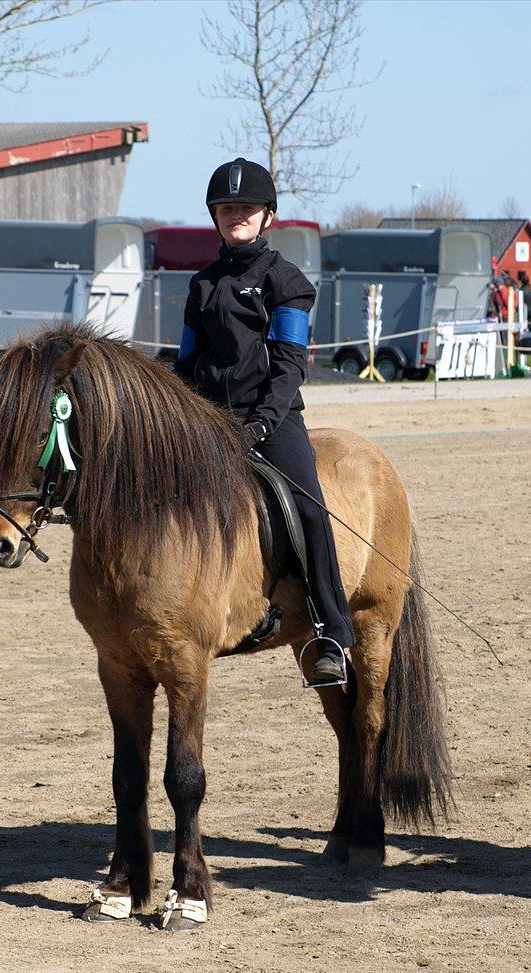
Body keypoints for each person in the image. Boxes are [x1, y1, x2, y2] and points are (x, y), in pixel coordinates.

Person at [174, 158, 355, 684]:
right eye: (227, 208)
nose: (236, 216)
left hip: (272, 420)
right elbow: (186, 364)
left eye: (246, 208)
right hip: (209, 423)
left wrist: (262, 423)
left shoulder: (287, 282)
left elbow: (290, 363)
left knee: (310, 511)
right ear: (215, 216)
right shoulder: (201, 286)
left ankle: (330, 631)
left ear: (266, 215)